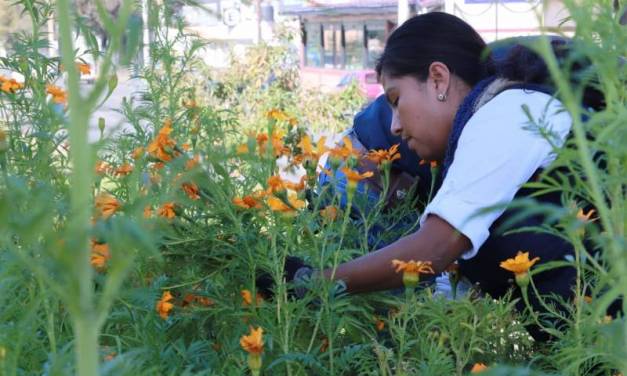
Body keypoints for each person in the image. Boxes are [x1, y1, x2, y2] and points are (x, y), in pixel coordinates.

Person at [273, 12, 606, 340]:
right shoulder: (486, 127)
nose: (394, 127)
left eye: (396, 99)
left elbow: (434, 249)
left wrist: (312, 281)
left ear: (438, 79)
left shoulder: (506, 115)